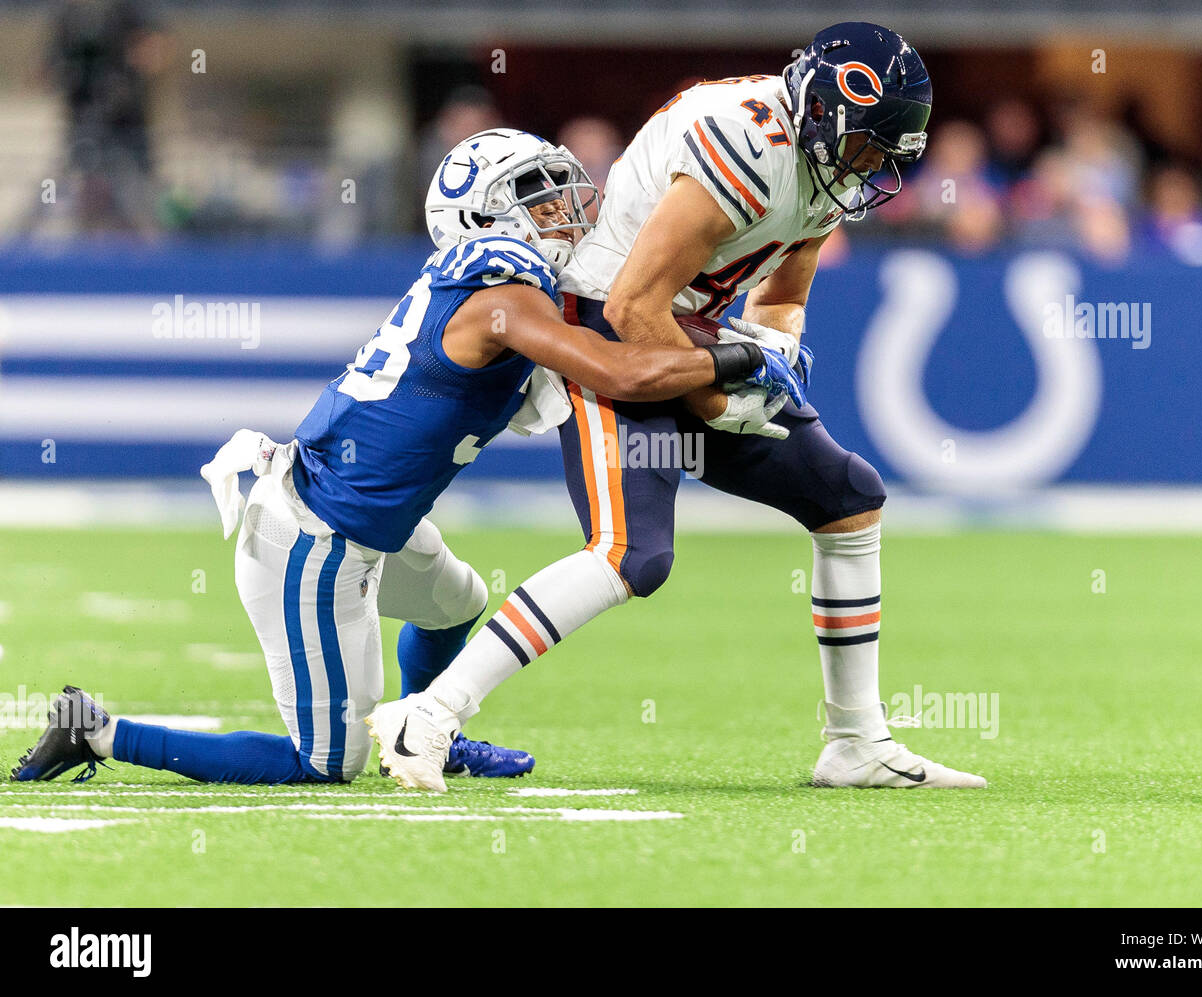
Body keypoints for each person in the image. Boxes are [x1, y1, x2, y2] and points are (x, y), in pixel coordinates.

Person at [11, 130, 802, 787]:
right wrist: (738, 361)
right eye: (539, 192)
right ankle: (99, 731)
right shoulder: (502, 298)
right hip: (313, 541)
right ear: (486, 215)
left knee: (455, 603)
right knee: (323, 763)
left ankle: (429, 726)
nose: (566, 206)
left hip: (367, 518)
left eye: (561, 186)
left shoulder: (497, 287)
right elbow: (620, 370)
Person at [369, 25, 986, 790]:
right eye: (865, 146)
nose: (871, 167)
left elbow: (784, 293)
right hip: (604, 328)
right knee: (632, 553)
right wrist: (722, 394)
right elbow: (632, 306)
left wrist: (773, 351)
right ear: (822, 112)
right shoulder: (750, 142)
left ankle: (855, 741)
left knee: (848, 496)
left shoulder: (829, 168)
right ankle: (428, 713)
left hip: (688, 333)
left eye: (885, 155)